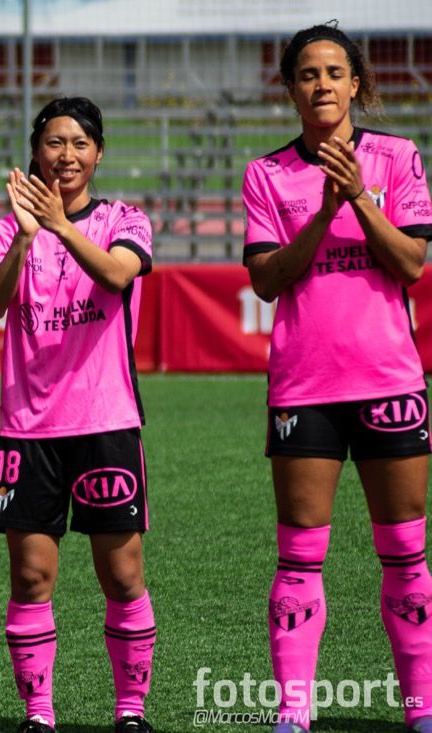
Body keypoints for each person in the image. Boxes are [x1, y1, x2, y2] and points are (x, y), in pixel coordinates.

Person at [241, 22, 432, 733]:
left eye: (333, 72)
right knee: (298, 557)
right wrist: (323, 212)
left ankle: (422, 707)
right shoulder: (266, 174)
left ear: (357, 84)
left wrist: (359, 197)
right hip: (304, 388)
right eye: (307, 74)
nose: (320, 84)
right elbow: (267, 280)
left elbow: (411, 265)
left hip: (389, 381)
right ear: (290, 90)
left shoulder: (397, 157)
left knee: (406, 554)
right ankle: (294, 713)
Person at [0, 97, 156, 733]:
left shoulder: (123, 219)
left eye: (80, 143)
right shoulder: (8, 230)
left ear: (99, 153)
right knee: (31, 577)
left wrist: (60, 226)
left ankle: (130, 712)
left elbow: (116, 275)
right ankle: (38, 715)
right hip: (27, 429)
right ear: (35, 152)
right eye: (54, 142)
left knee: (122, 574)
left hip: (106, 422)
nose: (67, 155)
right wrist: (29, 234)